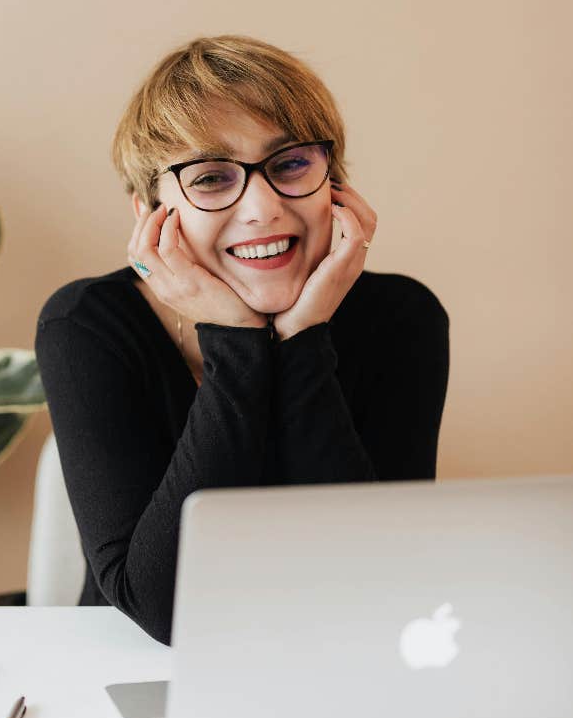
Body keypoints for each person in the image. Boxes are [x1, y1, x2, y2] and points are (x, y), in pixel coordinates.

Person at [34, 35, 450, 646]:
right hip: (134, 667)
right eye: (210, 177)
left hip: (338, 657)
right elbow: (164, 609)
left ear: (335, 184)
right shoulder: (88, 325)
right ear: (149, 211)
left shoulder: (402, 317)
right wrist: (235, 339)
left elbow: (378, 582)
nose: (262, 208)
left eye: (290, 164)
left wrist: (302, 338)